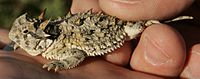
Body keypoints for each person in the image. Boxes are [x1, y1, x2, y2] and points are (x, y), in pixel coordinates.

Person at [0, 0, 199, 78]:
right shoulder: (45, 39)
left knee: (143, 27)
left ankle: (175, 19)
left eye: (24, 35)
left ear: (40, 36)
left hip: (117, 28)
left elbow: (77, 54)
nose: (17, 36)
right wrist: (17, 41)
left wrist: (60, 63)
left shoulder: (58, 46)